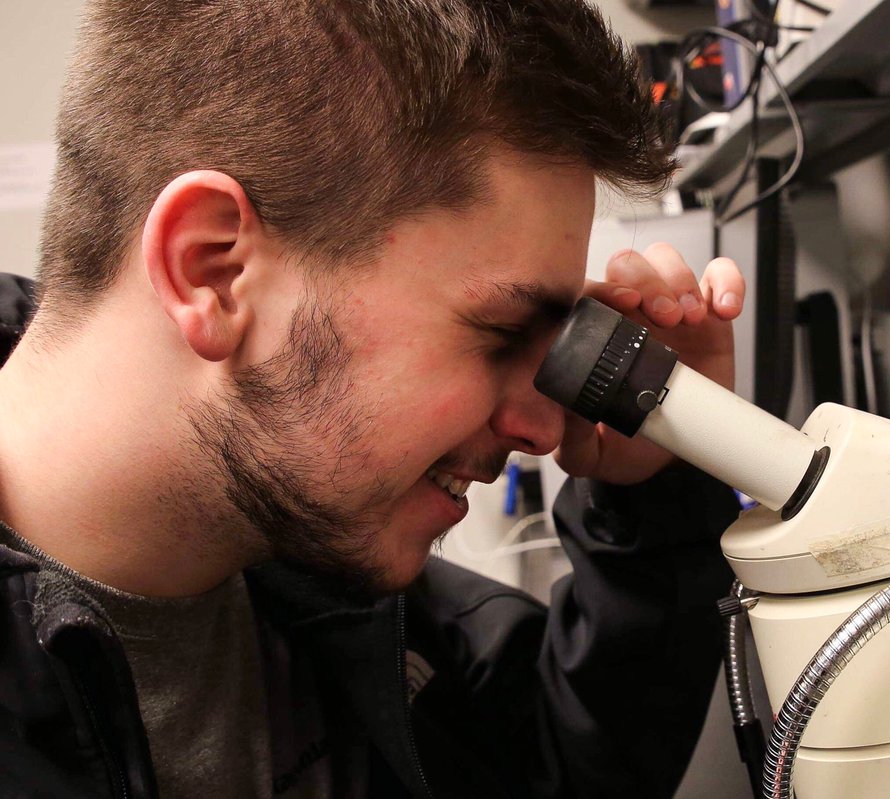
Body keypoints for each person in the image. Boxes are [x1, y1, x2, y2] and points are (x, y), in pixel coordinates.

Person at [0, 1, 747, 797]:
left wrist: (656, 487)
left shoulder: (308, 549)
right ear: (213, 270)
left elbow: (548, 774)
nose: (540, 426)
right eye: (499, 334)